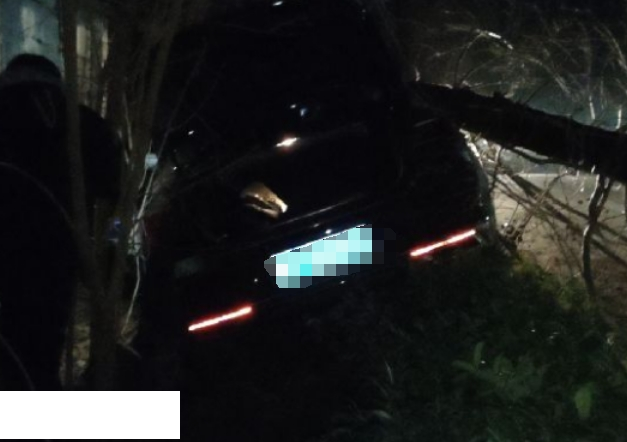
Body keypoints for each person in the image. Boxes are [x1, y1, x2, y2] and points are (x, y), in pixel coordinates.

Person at [0, 54, 121, 390]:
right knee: (43, 344)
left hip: (6, 248)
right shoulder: (82, 122)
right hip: (56, 251)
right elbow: (113, 186)